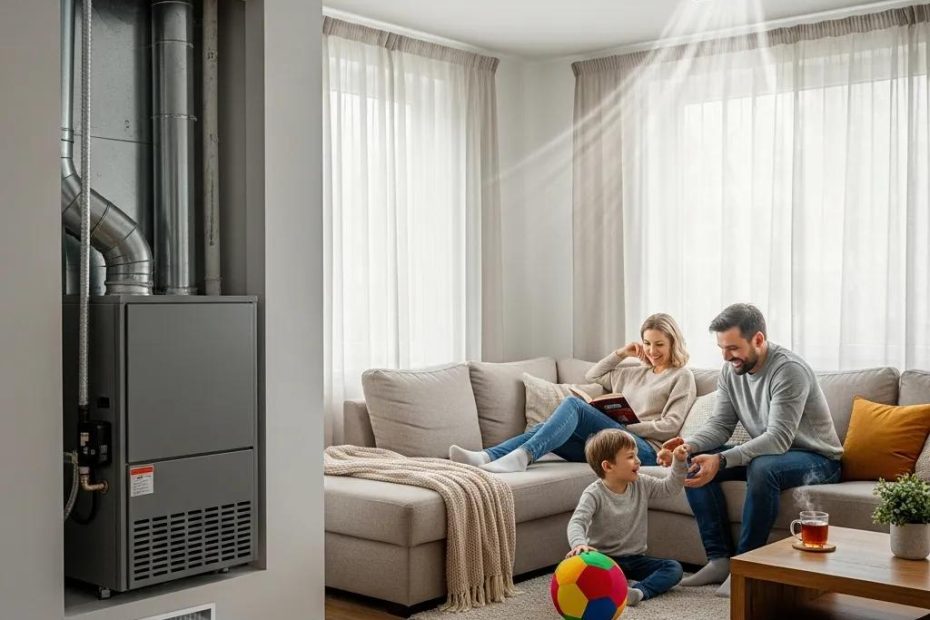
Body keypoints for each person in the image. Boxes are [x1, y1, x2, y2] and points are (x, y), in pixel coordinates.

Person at [659, 303, 843, 597]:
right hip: (772, 454)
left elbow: (779, 439)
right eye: (721, 348)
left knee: (763, 467)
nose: (726, 356)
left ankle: (747, 568)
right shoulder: (731, 371)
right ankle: (719, 560)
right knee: (693, 462)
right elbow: (720, 424)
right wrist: (688, 445)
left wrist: (721, 459)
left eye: (732, 347)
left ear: (758, 339)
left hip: (818, 459)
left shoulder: (789, 371)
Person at [449, 313, 697, 473]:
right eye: (647, 343)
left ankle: (523, 457)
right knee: (547, 428)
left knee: (573, 405)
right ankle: (486, 457)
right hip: (609, 445)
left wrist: (628, 428)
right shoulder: (633, 371)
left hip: (644, 451)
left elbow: (670, 425)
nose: (652, 350)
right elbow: (593, 376)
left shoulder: (680, 376)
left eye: (659, 344)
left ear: (673, 342)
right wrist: (621, 353)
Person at [567, 428, 689, 606]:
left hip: (636, 559)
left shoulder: (641, 483)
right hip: (604, 559)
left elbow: (670, 487)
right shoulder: (593, 493)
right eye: (631, 457)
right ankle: (614, 583)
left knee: (674, 568)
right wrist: (579, 544)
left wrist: (679, 461)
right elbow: (577, 522)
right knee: (586, 580)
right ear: (608, 466)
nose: (638, 461)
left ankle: (639, 591)